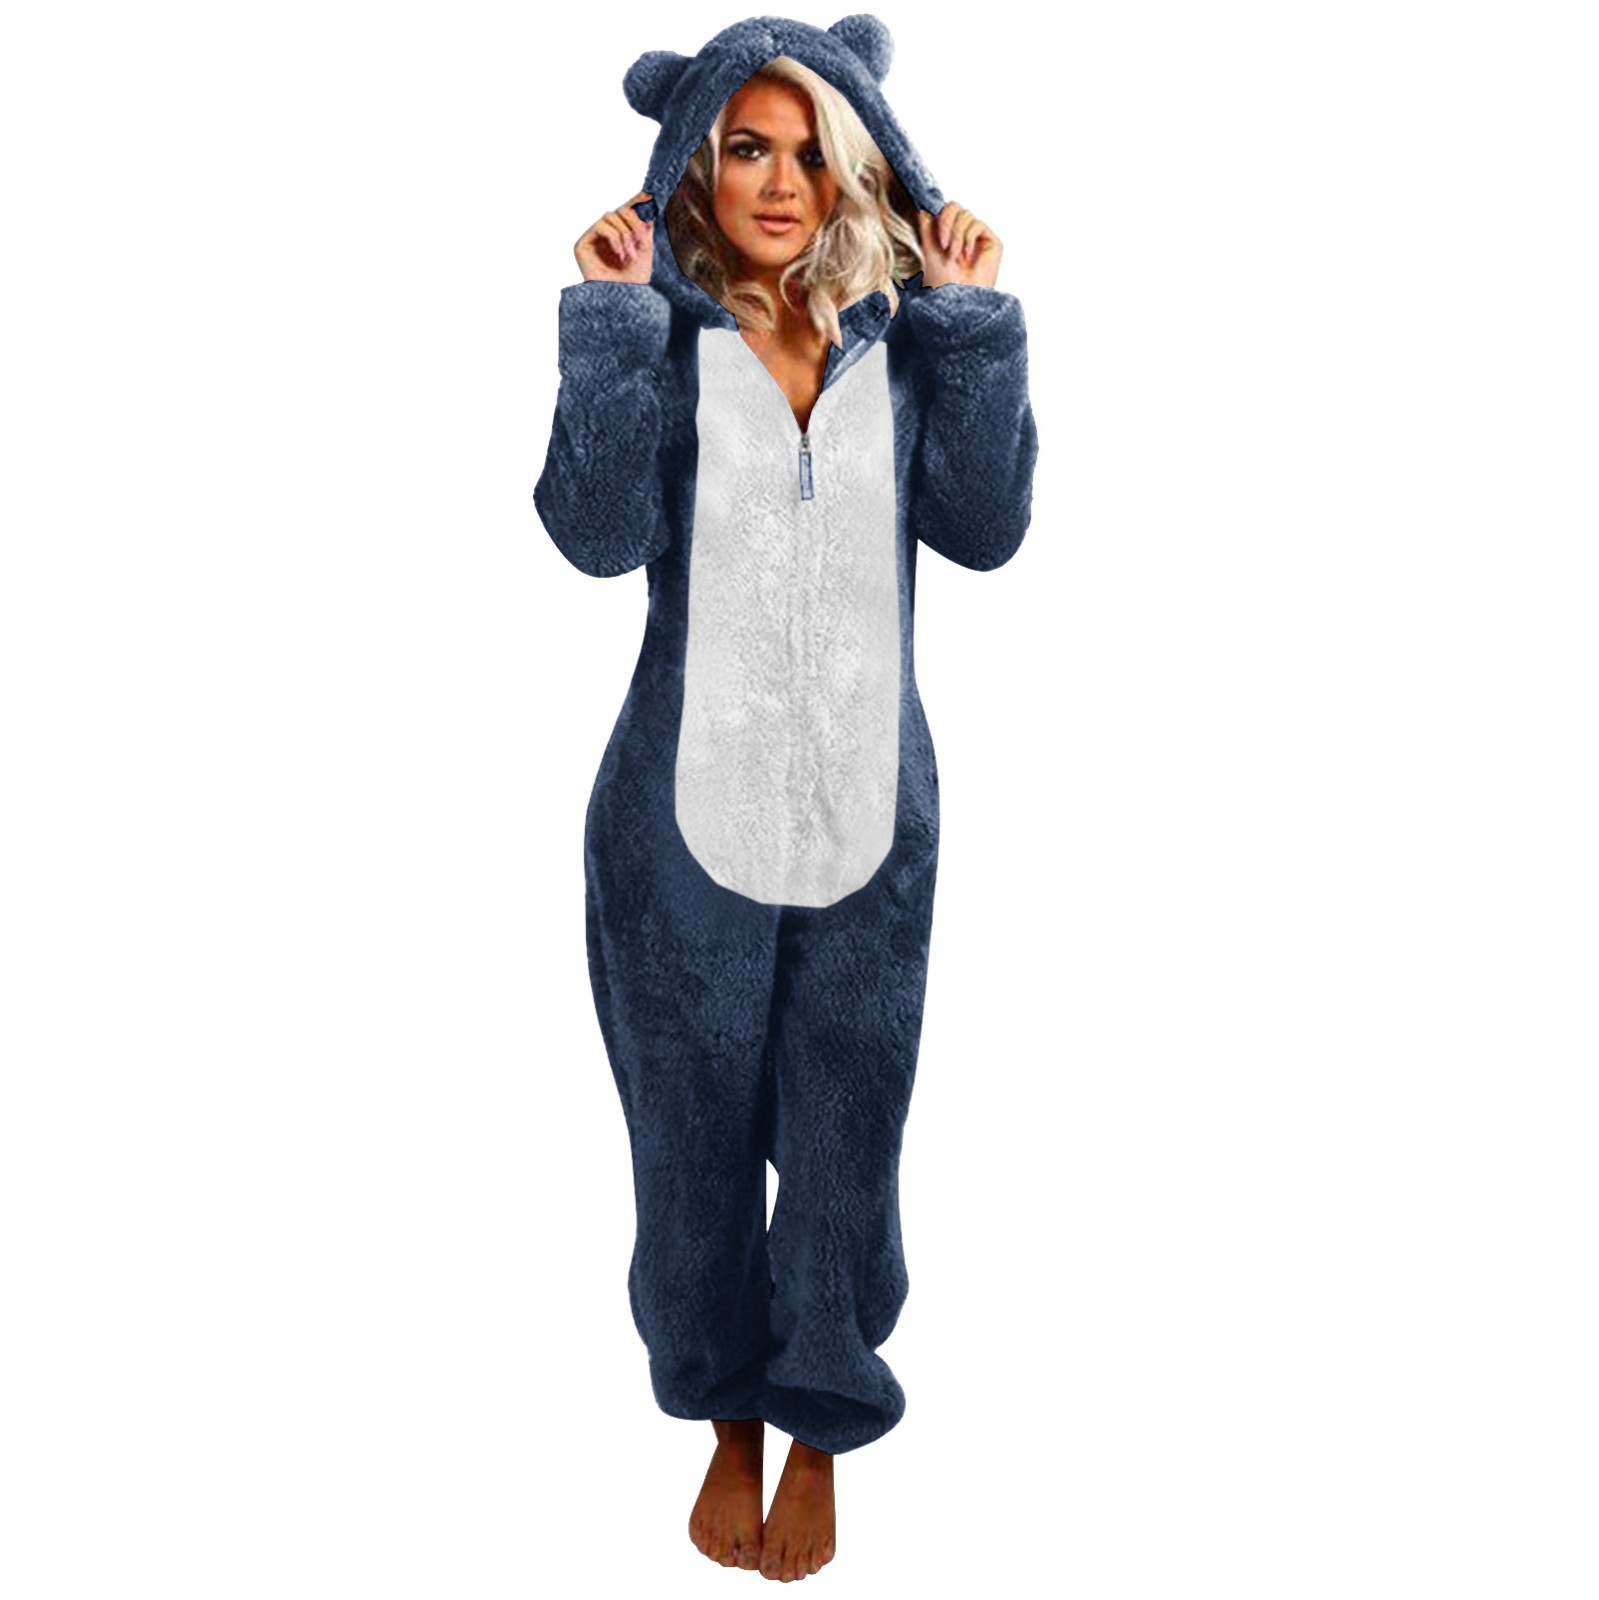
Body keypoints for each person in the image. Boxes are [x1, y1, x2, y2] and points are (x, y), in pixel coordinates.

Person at [534, 15, 1038, 1582]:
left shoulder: (904, 342)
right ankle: (724, 1414)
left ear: (859, 171)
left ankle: (819, 1420)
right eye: (746, 146)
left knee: (845, 1134)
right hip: (676, 820)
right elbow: (595, 536)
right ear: (694, 164)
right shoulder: (662, 342)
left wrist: (975, 327)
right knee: (688, 1140)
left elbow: (986, 529)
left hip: (871, 814)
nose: (778, 181)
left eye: (813, 153)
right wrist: (609, 328)